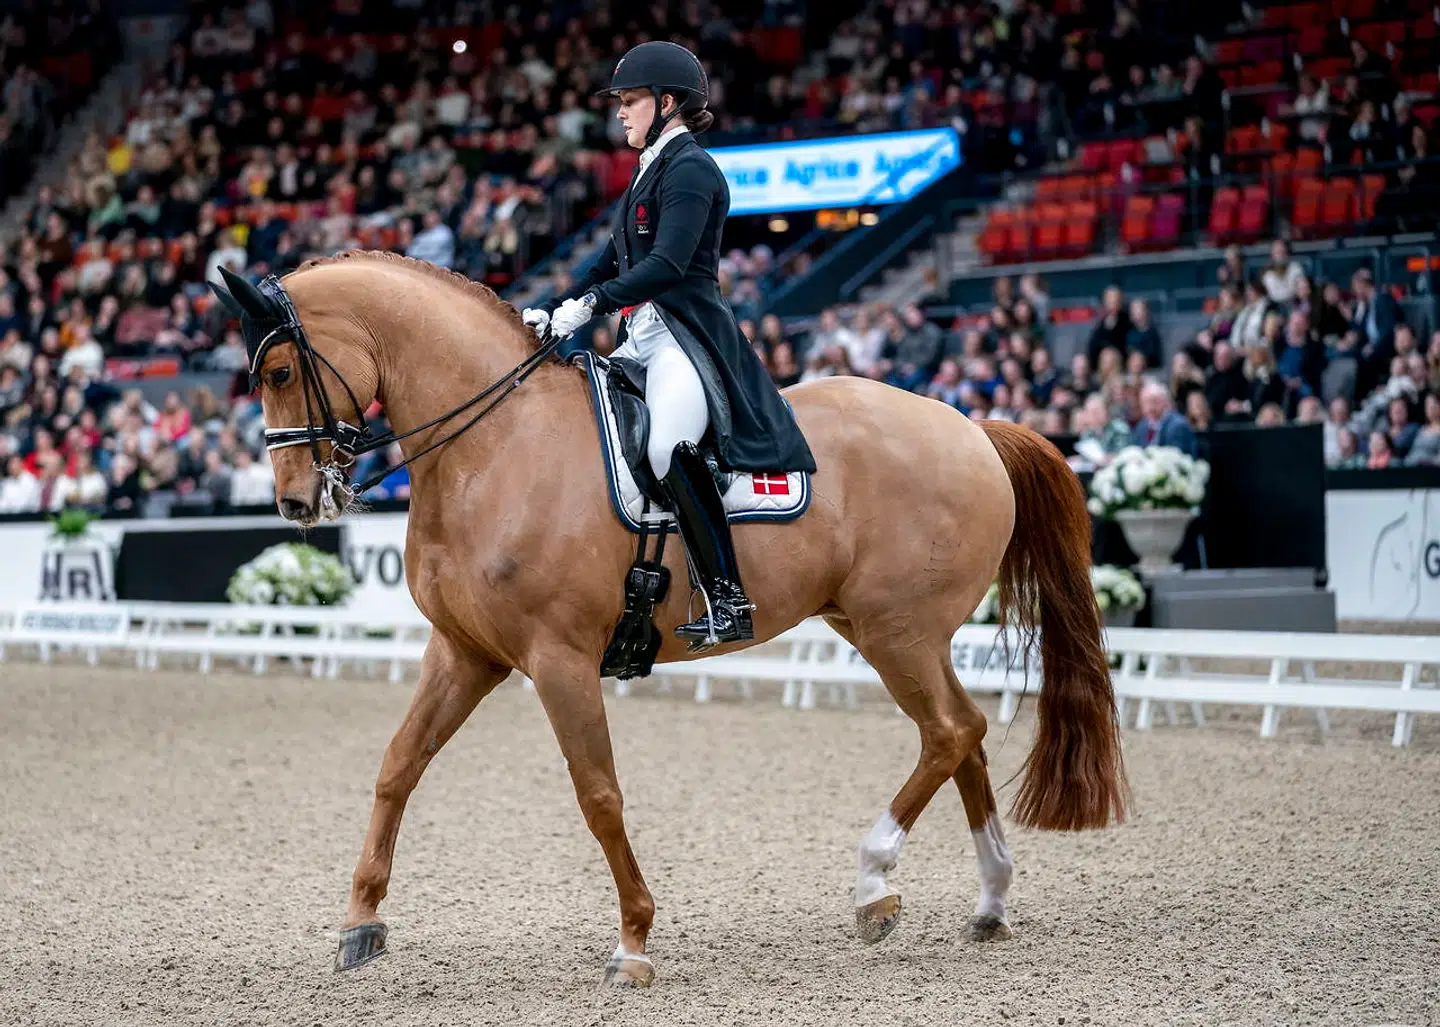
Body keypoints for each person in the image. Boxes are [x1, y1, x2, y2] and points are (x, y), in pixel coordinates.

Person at [522, 41, 817, 650]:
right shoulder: (647, 173)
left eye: (629, 102)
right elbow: (606, 263)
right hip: (644, 338)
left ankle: (727, 597)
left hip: (687, 334)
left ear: (667, 102)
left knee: (665, 447)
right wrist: (555, 310)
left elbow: (667, 264)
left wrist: (591, 307)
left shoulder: (691, 168)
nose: (621, 113)